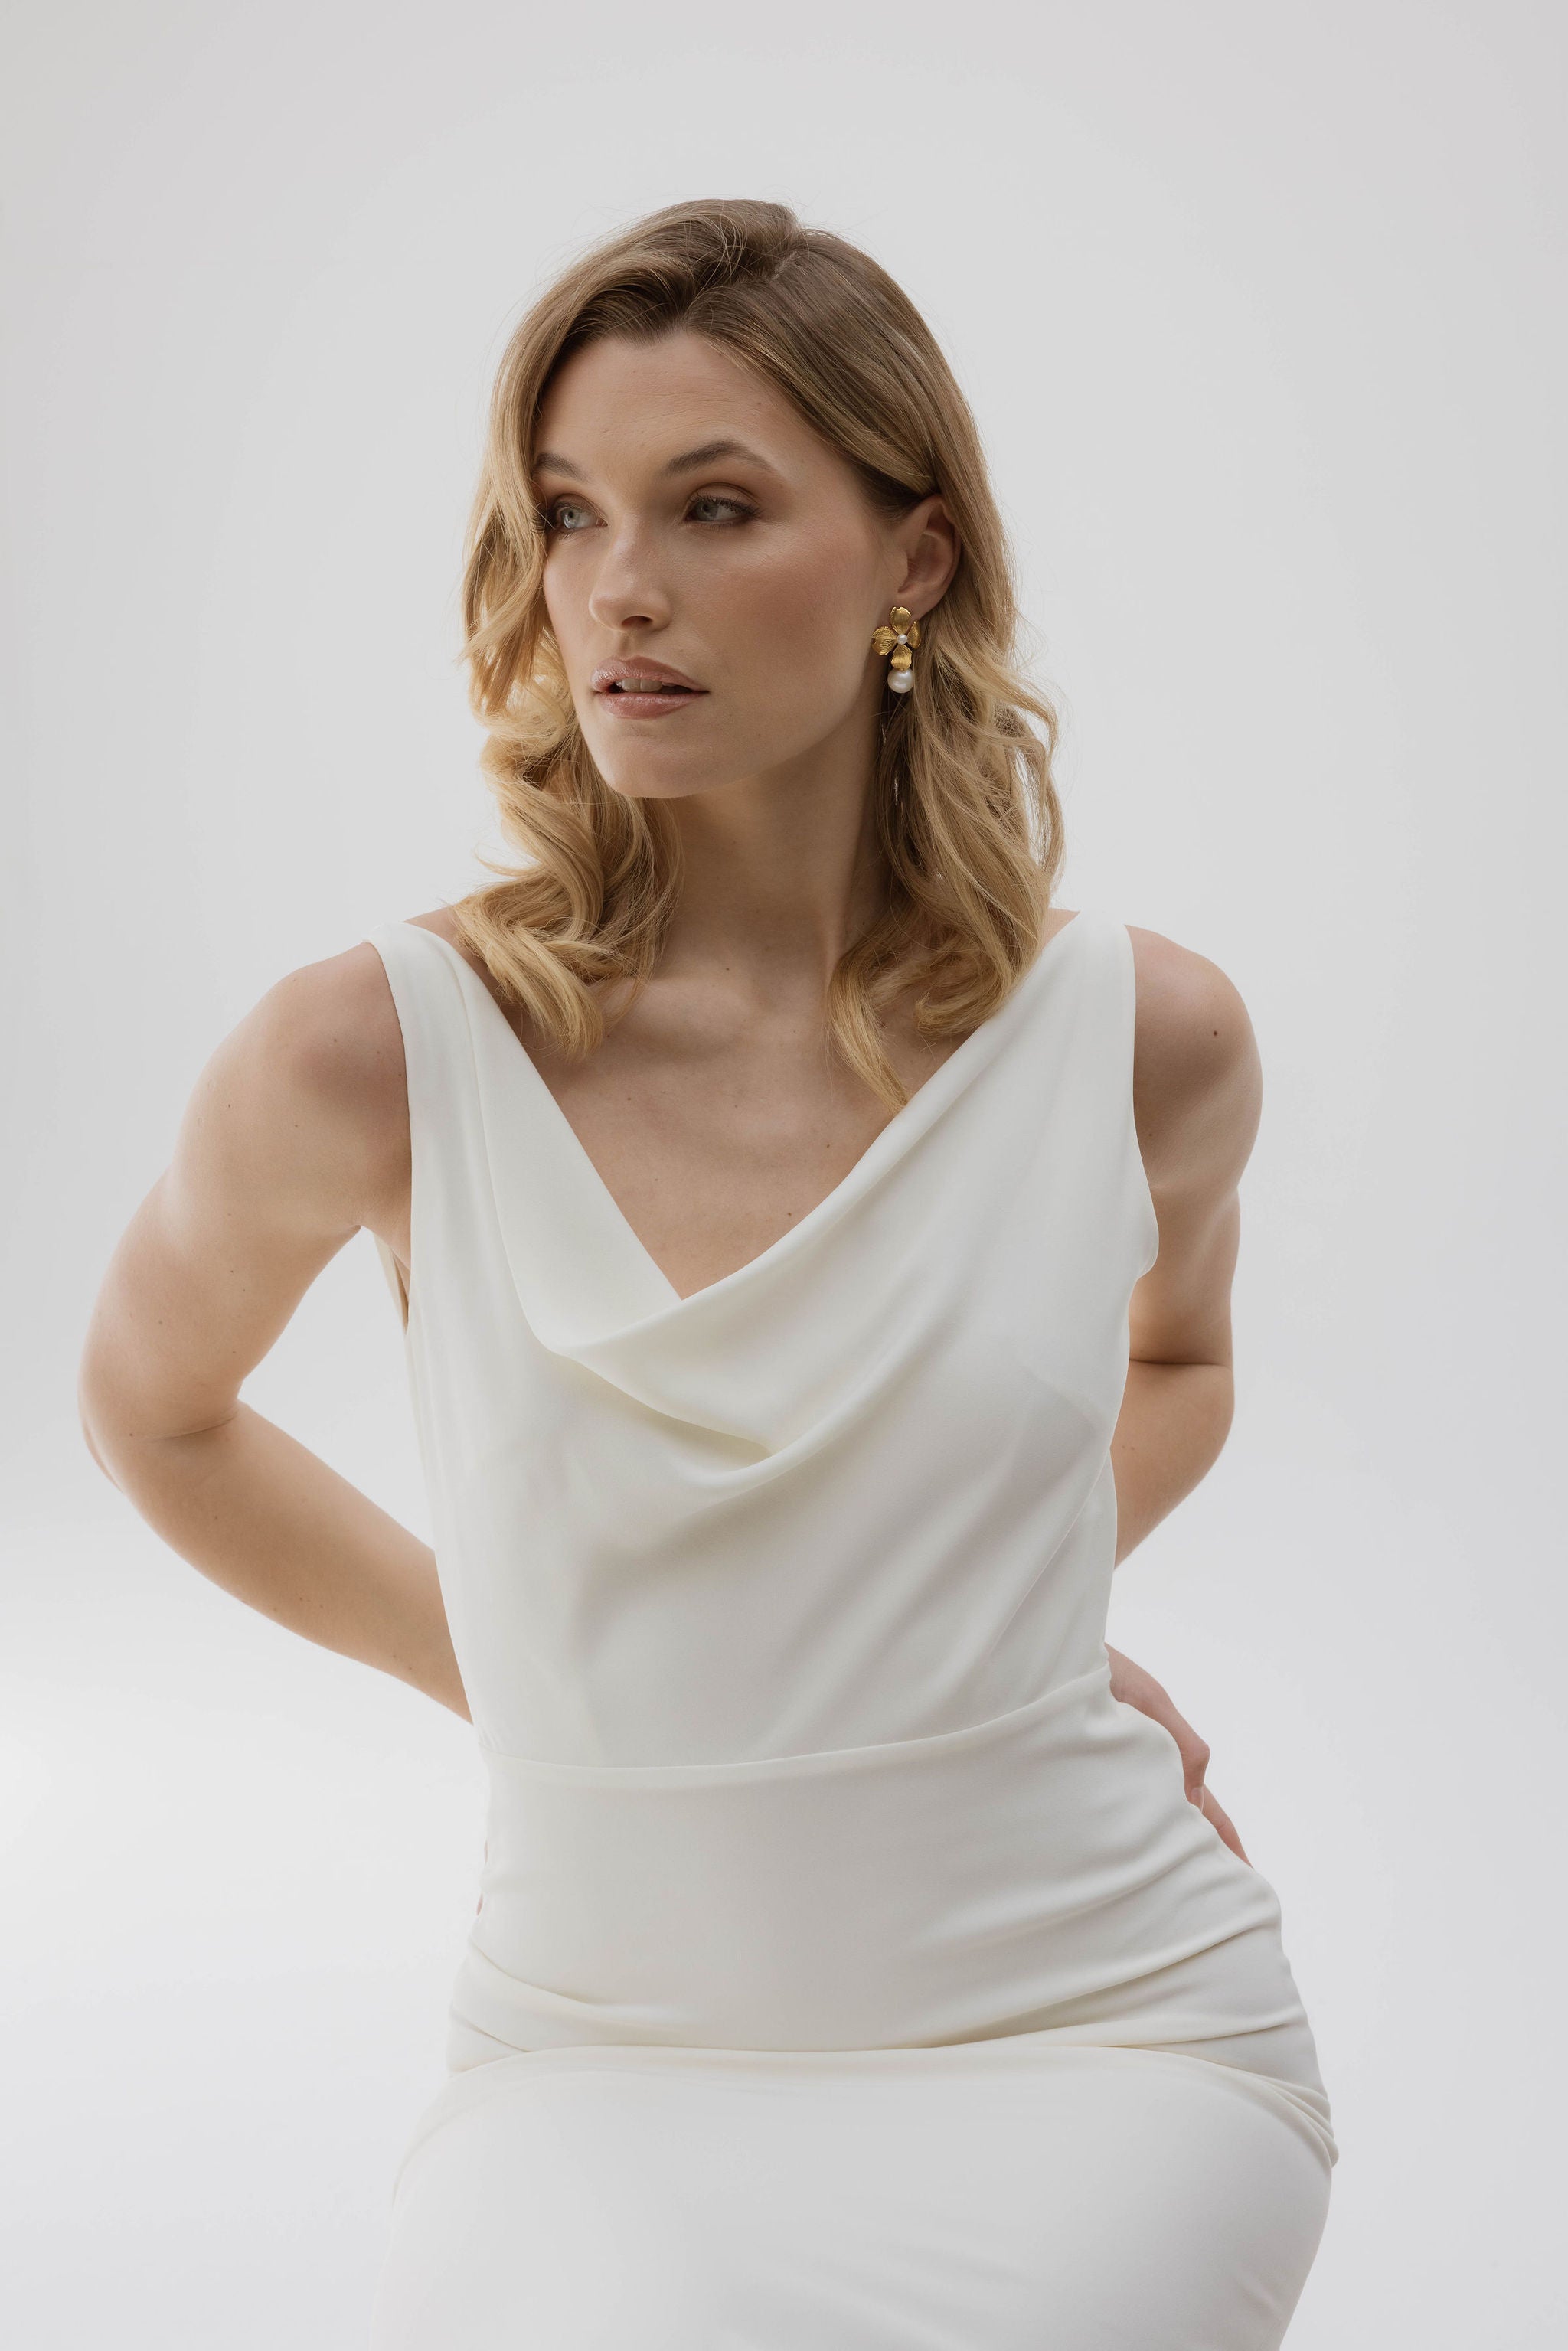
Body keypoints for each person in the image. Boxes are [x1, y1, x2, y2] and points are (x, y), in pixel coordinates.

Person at [78, 198, 1336, 2348]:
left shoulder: (1145, 1041)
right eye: (568, 514)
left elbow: (1184, 1368)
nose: (618, 589)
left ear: (915, 561)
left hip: (1101, 2028)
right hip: (596, 2061)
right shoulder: (375, 1052)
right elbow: (152, 1411)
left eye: (715, 507)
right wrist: (540, 1678)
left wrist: (978, 1630)